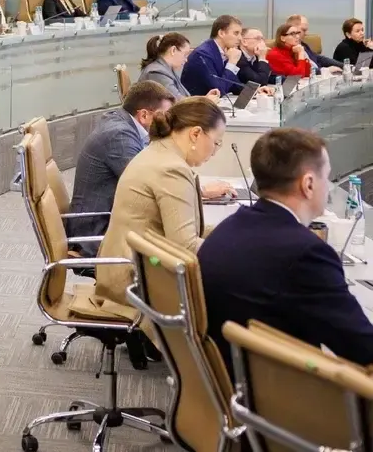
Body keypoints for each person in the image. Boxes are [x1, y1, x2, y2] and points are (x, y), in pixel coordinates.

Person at [200, 128, 373, 368]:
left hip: (233, 377)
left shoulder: (229, 227)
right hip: (285, 385)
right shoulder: (306, 254)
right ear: (308, 184)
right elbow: (363, 349)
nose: (328, 185)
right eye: (327, 177)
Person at [75, 98, 233, 323]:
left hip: (125, 269)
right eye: (216, 142)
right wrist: (237, 252)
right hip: (135, 282)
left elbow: (187, 230)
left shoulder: (158, 152)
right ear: (196, 134)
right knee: (240, 288)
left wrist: (233, 234)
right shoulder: (171, 169)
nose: (215, 151)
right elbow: (186, 246)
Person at [68, 81, 174, 242]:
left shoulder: (122, 122)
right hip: (96, 232)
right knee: (174, 238)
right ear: (144, 115)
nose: (168, 122)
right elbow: (147, 184)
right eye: (164, 116)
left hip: (108, 220)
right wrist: (197, 189)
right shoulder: (119, 135)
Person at [182, 15, 255, 97]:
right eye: (236, 33)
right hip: (197, 103)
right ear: (221, 33)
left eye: (240, 34)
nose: (240, 38)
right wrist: (232, 62)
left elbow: (233, 84)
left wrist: (253, 91)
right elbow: (219, 91)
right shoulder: (203, 54)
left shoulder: (223, 51)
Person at [138, 32, 197, 100]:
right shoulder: (157, 73)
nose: (186, 60)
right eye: (185, 54)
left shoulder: (165, 69)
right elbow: (176, 101)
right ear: (173, 50)